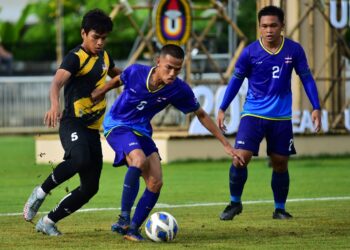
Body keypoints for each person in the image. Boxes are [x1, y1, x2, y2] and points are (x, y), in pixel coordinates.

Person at [91, 44, 245, 241]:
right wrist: (99, 92)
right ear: (158, 62)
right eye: (169, 67)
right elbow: (117, 80)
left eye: (177, 69)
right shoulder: (136, 71)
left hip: (142, 131)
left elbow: (201, 114)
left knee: (155, 182)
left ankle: (132, 230)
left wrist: (226, 144)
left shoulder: (178, 89)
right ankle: (123, 218)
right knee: (137, 159)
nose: (173, 73)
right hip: (117, 124)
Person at [217, 5, 322, 221]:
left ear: (282, 26)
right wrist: (222, 107)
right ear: (259, 27)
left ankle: (279, 209)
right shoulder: (249, 53)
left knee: (280, 163)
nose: (269, 30)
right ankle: (235, 203)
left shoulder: (294, 50)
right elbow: (236, 80)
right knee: (240, 159)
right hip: (253, 114)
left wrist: (316, 107)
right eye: (264, 26)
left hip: (281, 117)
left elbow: (306, 78)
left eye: (273, 25)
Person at [23, 9, 121, 236]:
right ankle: (40, 192)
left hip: (93, 129)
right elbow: (56, 83)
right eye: (95, 37)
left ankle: (48, 221)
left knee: (90, 188)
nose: (99, 42)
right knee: (79, 159)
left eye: (103, 38)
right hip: (72, 123)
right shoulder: (75, 57)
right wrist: (55, 105)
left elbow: (120, 76)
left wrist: (112, 85)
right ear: (83, 33)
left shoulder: (105, 57)